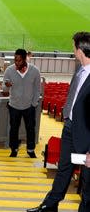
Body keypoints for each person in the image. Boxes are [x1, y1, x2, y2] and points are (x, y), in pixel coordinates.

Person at [27, 32, 90, 212]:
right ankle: (49, 205)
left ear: (80, 50)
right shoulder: (80, 70)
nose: (72, 49)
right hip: (70, 128)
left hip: (86, 136)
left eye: (73, 46)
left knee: (87, 180)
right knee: (64, 170)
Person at [2, 48, 41, 158]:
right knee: (13, 129)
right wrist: (6, 86)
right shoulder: (9, 70)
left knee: (30, 129)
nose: (16, 62)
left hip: (29, 107)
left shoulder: (35, 71)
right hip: (14, 106)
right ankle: (14, 149)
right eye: (15, 60)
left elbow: (38, 89)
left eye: (19, 60)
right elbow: (3, 87)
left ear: (25, 60)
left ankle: (30, 150)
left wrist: (33, 104)